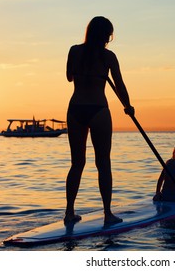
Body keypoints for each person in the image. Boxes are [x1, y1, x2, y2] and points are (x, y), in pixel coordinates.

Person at [64, 16, 134, 225]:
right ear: (106, 35)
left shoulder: (74, 51)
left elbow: (69, 77)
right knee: (103, 163)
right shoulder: (109, 56)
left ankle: (69, 213)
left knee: (77, 163)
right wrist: (127, 106)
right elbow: (119, 84)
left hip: (75, 108)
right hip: (98, 109)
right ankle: (107, 214)